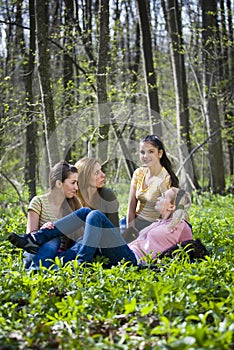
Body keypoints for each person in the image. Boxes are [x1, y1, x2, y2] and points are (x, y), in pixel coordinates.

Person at [8, 188, 192, 267]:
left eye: (162, 197)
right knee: (85, 213)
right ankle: (36, 240)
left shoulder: (182, 227)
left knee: (95, 216)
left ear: (172, 206)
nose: (158, 199)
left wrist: (163, 264)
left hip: (133, 260)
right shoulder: (158, 222)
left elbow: (190, 253)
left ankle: (81, 263)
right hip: (123, 250)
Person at [21, 160, 82, 270]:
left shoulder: (74, 205)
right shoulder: (38, 202)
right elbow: (30, 238)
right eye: (73, 183)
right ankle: (36, 270)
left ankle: (49, 269)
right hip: (39, 253)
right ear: (59, 183)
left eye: (77, 183)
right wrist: (44, 231)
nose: (76, 188)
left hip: (60, 257)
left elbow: (79, 238)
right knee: (54, 239)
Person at [125, 134, 179, 233]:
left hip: (152, 227)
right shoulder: (138, 173)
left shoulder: (165, 178)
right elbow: (131, 205)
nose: (145, 156)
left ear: (160, 153)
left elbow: (168, 214)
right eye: (142, 152)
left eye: (151, 151)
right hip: (133, 221)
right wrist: (130, 229)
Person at [75, 157, 119, 229]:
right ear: (84, 177)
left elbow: (115, 228)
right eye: (96, 173)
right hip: (83, 239)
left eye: (101, 170)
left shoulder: (107, 195)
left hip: (107, 238)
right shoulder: (74, 196)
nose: (103, 175)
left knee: (94, 215)